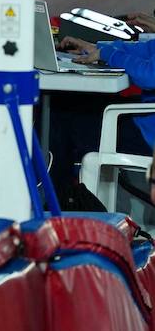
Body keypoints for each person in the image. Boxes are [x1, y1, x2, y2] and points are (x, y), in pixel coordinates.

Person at [48, 27, 155, 207]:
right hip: (147, 119)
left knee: (60, 113)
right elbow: (148, 50)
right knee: (68, 103)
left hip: (148, 135)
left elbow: (149, 76)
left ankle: (54, 207)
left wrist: (107, 53)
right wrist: (95, 48)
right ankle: (59, 201)